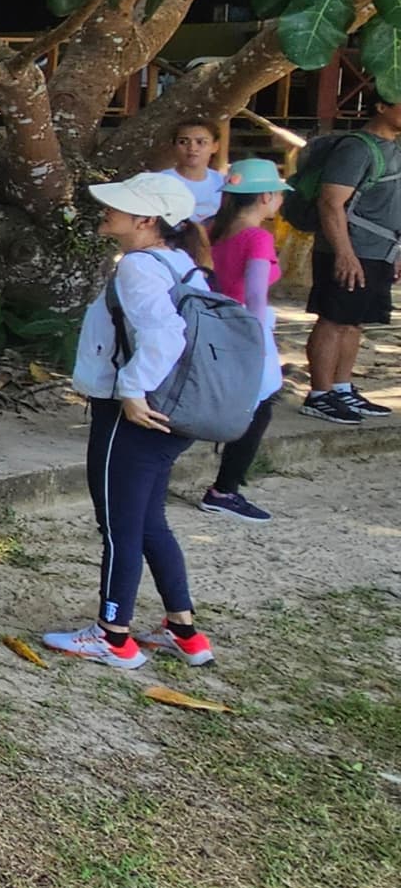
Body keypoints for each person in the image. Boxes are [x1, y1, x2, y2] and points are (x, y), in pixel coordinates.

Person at [44, 172, 220, 670]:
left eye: (119, 205)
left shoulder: (139, 267)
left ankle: (113, 636)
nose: (107, 210)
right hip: (174, 412)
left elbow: (165, 337)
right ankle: (184, 631)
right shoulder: (182, 263)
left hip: (134, 415)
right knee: (147, 521)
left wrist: (131, 390)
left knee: (119, 525)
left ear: (146, 220)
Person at [299, 89, 401, 423]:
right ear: (381, 106)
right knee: (333, 319)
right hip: (348, 249)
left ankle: (342, 388)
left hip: (380, 251)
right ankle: (319, 394)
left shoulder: (394, 148)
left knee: (354, 321)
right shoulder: (357, 148)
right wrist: (344, 252)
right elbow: (330, 203)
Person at [202, 160, 288, 522]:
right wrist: (258, 342)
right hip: (245, 326)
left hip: (212, 322)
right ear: (266, 196)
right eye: (279, 193)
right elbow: (255, 295)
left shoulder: (212, 229)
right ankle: (225, 489)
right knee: (259, 407)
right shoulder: (258, 237)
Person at [163, 118, 227, 224]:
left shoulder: (223, 184)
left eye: (201, 142)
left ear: (215, 147)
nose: (192, 148)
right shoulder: (160, 182)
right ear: (173, 146)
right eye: (183, 142)